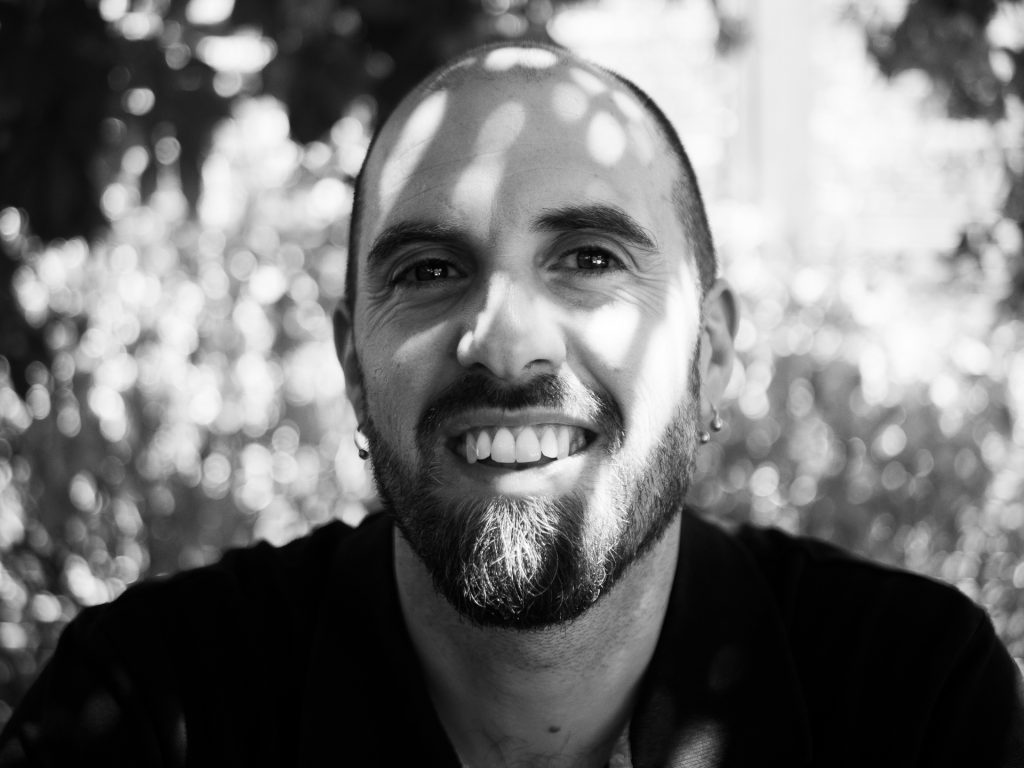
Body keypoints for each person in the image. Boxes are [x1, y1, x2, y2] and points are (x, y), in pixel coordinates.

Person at [2, 41, 1022, 768]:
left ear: (709, 357)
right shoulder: (154, 705)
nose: (504, 339)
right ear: (354, 368)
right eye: (429, 269)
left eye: (589, 259)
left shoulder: (913, 701)